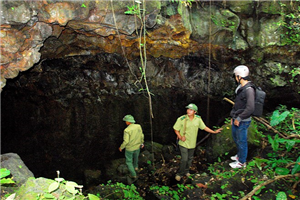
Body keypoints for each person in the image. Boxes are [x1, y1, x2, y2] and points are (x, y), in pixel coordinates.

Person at [173, 103, 223, 181]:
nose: (188, 111)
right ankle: (180, 174)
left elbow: (204, 127)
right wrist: (180, 136)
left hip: (192, 143)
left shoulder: (198, 119)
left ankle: (186, 171)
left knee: (190, 159)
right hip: (183, 143)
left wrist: (213, 132)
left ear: (195, 112)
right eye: (188, 109)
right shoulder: (182, 119)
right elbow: (176, 129)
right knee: (184, 159)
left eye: (191, 110)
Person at [229, 65, 255, 168]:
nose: (235, 78)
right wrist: (233, 117)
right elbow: (237, 105)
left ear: (239, 76)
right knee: (236, 138)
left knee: (242, 141)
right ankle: (239, 156)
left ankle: (241, 162)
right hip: (237, 118)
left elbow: (250, 108)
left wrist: (239, 118)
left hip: (243, 120)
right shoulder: (241, 87)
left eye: (236, 76)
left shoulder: (249, 90)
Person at [119, 115, 144, 179]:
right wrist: (142, 143)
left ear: (128, 122)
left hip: (130, 149)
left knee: (129, 161)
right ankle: (136, 168)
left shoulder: (127, 130)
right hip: (137, 146)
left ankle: (133, 175)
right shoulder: (138, 126)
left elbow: (126, 141)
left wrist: (121, 147)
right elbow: (141, 136)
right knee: (136, 158)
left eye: (126, 121)